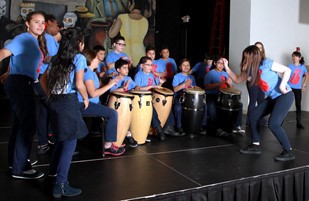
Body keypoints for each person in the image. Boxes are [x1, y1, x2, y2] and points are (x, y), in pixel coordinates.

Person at [223, 45, 295, 161]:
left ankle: (288, 151)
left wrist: (282, 85)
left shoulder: (267, 63)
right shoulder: (250, 70)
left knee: (274, 124)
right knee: (253, 116)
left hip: (285, 95)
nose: (245, 59)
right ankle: (255, 145)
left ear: (255, 57)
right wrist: (226, 67)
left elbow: (287, 70)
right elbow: (237, 79)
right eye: (244, 57)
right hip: (273, 98)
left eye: (247, 57)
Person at [40, 27, 88, 198]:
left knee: (61, 141)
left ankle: (51, 178)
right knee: (69, 144)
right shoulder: (79, 58)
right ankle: (61, 184)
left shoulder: (55, 58)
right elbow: (80, 83)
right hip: (67, 102)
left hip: (54, 102)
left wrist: (48, 95)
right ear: (79, 44)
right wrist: (86, 98)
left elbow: (42, 78)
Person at [0, 11, 46, 180]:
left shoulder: (33, 41)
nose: (40, 25)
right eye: (36, 22)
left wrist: (10, 71)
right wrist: (13, 74)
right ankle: (20, 168)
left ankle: (15, 162)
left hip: (21, 82)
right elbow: (4, 53)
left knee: (20, 124)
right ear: (28, 23)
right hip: (20, 84)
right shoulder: (24, 38)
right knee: (28, 125)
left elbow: (20, 59)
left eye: (42, 22)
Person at [79, 49, 125, 156]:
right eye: (96, 58)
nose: (99, 61)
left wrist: (112, 82)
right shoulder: (87, 73)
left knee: (110, 110)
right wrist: (109, 85)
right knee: (112, 113)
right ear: (89, 60)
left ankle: (112, 139)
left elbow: (97, 90)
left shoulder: (92, 72)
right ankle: (108, 146)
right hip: (84, 105)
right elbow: (93, 94)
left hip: (94, 103)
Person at [135, 56, 181, 141]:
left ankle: (169, 127)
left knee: (167, 105)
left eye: (151, 65)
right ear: (141, 66)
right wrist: (152, 86)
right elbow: (137, 89)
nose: (150, 67)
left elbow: (156, 87)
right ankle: (159, 130)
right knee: (151, 108)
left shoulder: (152, 75)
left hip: (152, 97)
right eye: (148, 65)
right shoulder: (138, 75)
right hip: (142, 100)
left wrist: (160, 84)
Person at [35, 14, 61, 155]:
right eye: (56, 24)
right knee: (51, 107)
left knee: (45, 110)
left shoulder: (44, 38)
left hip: (41, 76)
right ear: (50, 23)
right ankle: (48, 139)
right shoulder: (48, 38)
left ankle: (44, 142)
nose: (57, 28)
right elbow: (48, 59)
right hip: (44, 77)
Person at [204, 56, 245, 136]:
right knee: (212, 105)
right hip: (212, 95)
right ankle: (217, 128)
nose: (221, 65)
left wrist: (229, 85)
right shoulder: (210, 73)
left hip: (224, 96)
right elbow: (206, 87)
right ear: (215, 63)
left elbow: (231, 88)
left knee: (239, 104)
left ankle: (237, 126)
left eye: (223, 63)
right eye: (219, 63)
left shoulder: (226, 74)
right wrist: (220, 83)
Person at [110, 58, 140, 147]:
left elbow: (136, 86)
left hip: (128, 103)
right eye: (124, 68)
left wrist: (136, 89)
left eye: (127, 68)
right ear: (118, 70)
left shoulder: (129, 78)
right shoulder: (114, 79)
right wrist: (124, 88)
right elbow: (112, 91)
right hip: (117, 104)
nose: (127, 70)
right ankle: (127, 134)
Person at [173, 58, 207, 136]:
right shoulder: (176, 76)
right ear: (180, 67)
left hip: (190, 97)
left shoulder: (192, 77)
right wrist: (184, 84)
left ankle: (202, 125)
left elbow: (193, 87)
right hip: (180, 96)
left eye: (188, 65)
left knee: (204, 105)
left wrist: (196, 88)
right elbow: (175, 89)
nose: (186, 67)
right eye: (184, 65)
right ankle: (179, 126)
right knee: (178, 108)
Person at [246, 41, 268, 127]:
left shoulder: (264, 60)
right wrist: (248, 77)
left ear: (262, 49)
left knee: (261, 102)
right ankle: (249, 120)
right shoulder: (250, 58)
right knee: (253, 101)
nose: (258, 49)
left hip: (261, 83)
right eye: (256, 47)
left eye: (260, 47)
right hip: (252, 82)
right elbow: (245, 69)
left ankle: (260, 119)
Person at [288, 50, 308, 129]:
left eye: (296, 56)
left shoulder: (302, 67)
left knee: (298, 104)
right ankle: (280, 121)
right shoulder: (290, 66)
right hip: (289, 87)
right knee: (285, 104)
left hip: (297, 88)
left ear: (299, 58)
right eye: (293, 56)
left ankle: (298, 122)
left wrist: (304, 85)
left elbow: (307, 75)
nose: (294, 58)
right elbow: (286, 75)